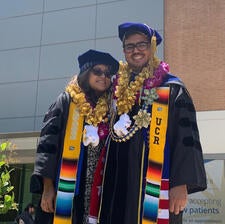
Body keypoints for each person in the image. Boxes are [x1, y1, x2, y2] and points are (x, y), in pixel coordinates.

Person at [98, 22, 207, 224]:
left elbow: (186, 137)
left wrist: (181, 184)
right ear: (124, 51)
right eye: (130, 46)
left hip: (157, 186)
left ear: (152, 47)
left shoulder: (171, 87)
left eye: (142, 44)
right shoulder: (116, 90)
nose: (136, 50)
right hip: (118, 187)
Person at [30, 49, 119, 224]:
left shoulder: (111, 108)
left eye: (108, 73)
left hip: (98, 189)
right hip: (68, 187)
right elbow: (48, 145)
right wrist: (47, 187)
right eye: (98, 71)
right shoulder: (67, 101)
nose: (104, 76)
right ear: (86, 73)